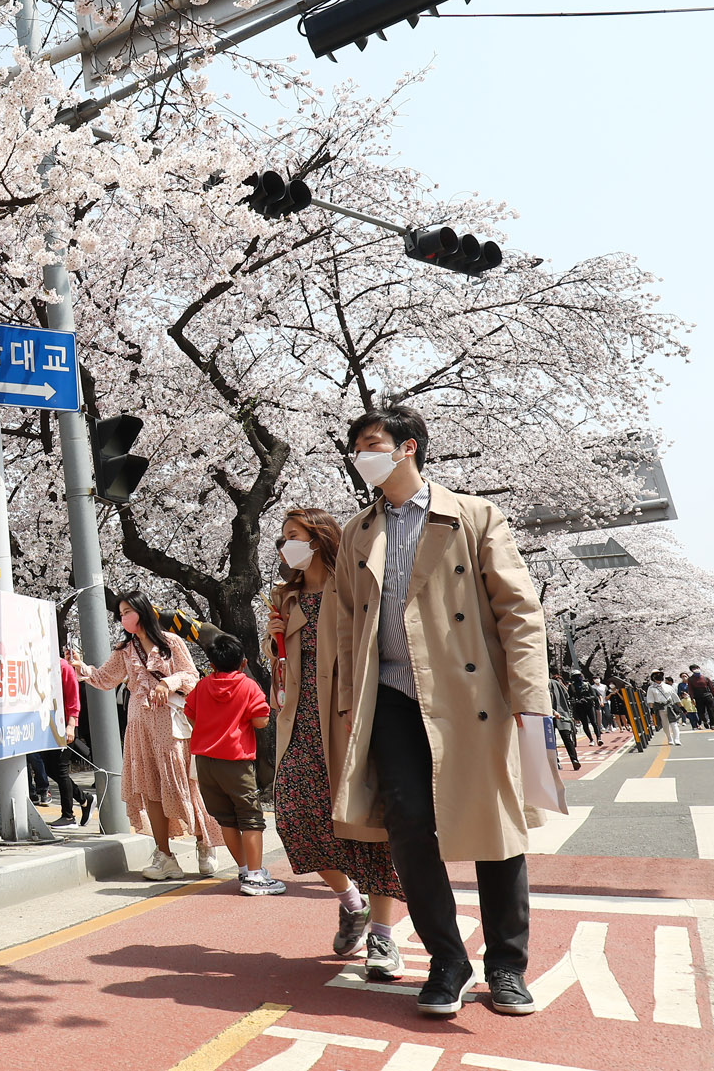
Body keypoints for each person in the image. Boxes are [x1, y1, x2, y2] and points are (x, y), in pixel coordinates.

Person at [323, 404, 550, 1019]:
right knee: (408, 833)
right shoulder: (356, 532)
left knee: (494, 832)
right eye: (357, 447)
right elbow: (342, 626)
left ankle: (507, 968)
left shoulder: (473, 516)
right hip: (391, 699)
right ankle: (447, 961)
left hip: (471, 700)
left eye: (374, 443)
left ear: (409, 448)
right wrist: (345, 708)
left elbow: (519, 612)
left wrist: (531, 700)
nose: (362, 455)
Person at [266, 507, 405, 980]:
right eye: (283, 538)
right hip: (301, 722)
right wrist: (274, 644)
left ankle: (384, 941)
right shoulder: (284, 600)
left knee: (373, 825)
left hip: (353, 717)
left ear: (320, 538)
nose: (286, 546)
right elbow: (282, 672)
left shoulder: (353, 586)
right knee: (296, 815)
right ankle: (351, 902)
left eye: (294, 536)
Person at [76, 594, 225, 880]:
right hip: (140, 726)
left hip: (170, 727)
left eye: (127, 611)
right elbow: (105, 678)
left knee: (183, 784)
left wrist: (169, 682)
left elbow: (191, 677)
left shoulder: (171, 643)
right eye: (121, 614)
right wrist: (82, 669)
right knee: (151, 789)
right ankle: (165, 855)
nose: (124, 618)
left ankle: (204, 843)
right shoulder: (124, 650)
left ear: (143, 611)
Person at [187, 633, 282, 896]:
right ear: (243, 662)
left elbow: (190, 715)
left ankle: (243, 868)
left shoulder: (202, 686)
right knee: (251, 818)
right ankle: (254, 876)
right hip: (236, 760)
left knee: (226, 818)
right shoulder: (248, 686)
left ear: (212, 664)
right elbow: (261, 720)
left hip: (205, 761)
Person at [33, 646, 87, 827]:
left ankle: (68, 815)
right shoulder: (39, 669)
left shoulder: (63, 667)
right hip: (50, 726)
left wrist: (71, 725)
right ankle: (84, 799)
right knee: (50, 768)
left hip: (66, 725)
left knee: (61, 769)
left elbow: (74, 699)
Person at [548, 678, 581, 771]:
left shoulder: (541, 684)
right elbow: (567, 695)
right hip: (562, 712)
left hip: (549, 715)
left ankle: (557, 761)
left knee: (551, 739)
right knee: (567, 739)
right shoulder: (557, 684)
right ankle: (574, 759)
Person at [643, 670, 682, 746]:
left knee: (674, 723)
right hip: (659, 707)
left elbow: (675, 697)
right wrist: (651, 709)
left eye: (660, 675)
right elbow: (650, 699)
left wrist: (681, 707)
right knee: (665, 724)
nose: (659, 676)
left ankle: (677, 739)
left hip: (670, 706)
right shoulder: (651, 688)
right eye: (656, 675)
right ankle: (669, 738)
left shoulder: (668, 687)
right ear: (653, 678)